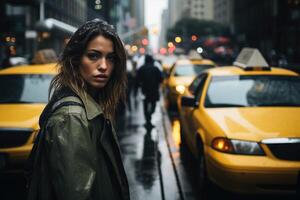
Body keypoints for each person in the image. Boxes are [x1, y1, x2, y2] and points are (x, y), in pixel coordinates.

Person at [26, 19, 130, 200]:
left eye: (110, 58)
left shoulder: (93, 105)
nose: (104, 66)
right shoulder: (72, 118)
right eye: (93, 56)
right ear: (75, 60)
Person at [137, 54, 163, 126]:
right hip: (154, 91)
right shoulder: (156, 68)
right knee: (153, 105)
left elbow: (137, 79)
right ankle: (150, 115)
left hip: (145, 91)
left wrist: (140, 85)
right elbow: (161, 79)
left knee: (145, 105)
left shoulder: (141, 68)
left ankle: (147, 119)